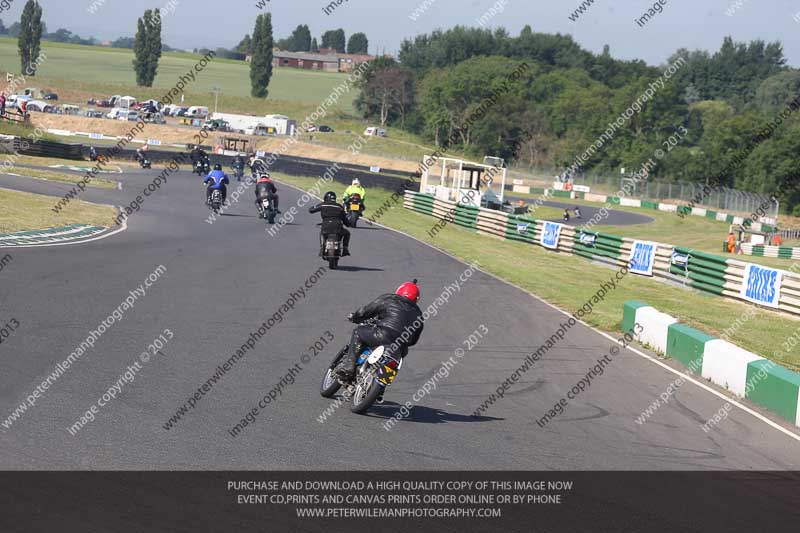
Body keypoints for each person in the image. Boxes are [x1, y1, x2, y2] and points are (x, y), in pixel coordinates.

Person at [336, 281, 424, 382]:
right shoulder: (419, 315)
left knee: (358, 332)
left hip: (382, 335)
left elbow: (366, 311)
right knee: (393, 363)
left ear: (399, 290)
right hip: (400, 347)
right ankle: (380, 391)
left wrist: (355, 317)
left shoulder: (390, 299)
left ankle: (348, 367)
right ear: (416, 298)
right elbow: (413, 340)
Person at [308, 191, 350, 257]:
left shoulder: (323, 204)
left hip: (325, 227)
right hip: (338, 227)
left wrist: (315, 206)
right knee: (347, 233)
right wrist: (348, 224)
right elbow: (345, 219)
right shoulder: (339, 207)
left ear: (326, 198)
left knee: (322, 233)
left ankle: (322, 248)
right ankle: (345, 249)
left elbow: (311, 210)